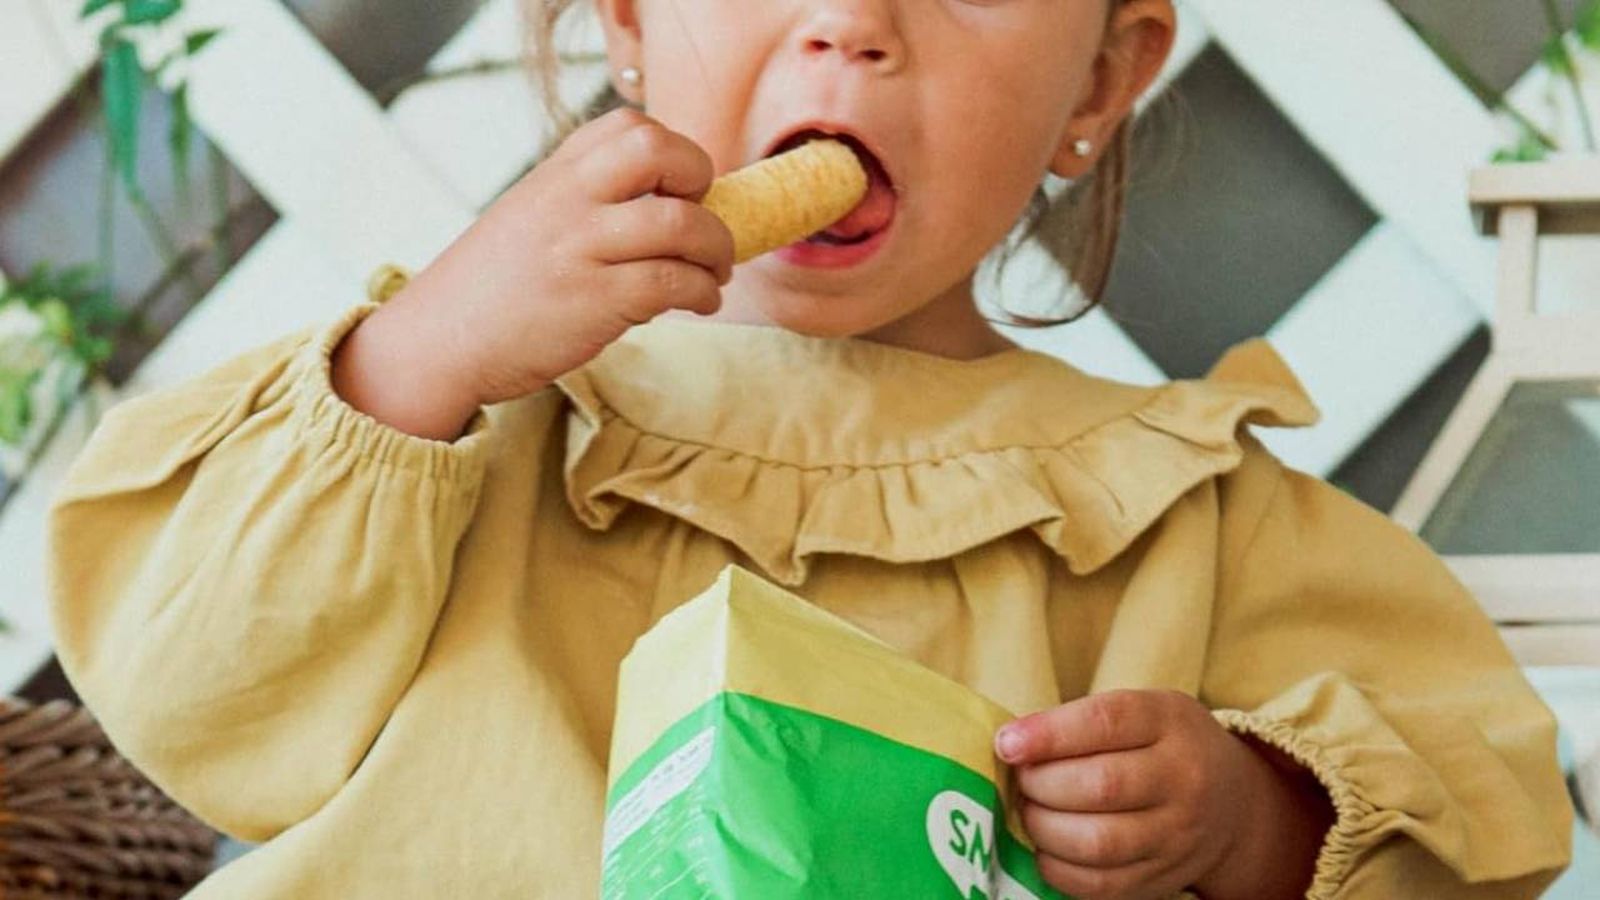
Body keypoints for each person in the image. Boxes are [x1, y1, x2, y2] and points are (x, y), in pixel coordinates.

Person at [47, 0, 1572, 897]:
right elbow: (189, 700)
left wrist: (1244, 819)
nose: (853, 25)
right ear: (630, 25)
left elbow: (1479, 825)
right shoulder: (453, 409)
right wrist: (416, 357)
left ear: (1101, 83)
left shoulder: (1190, 513)